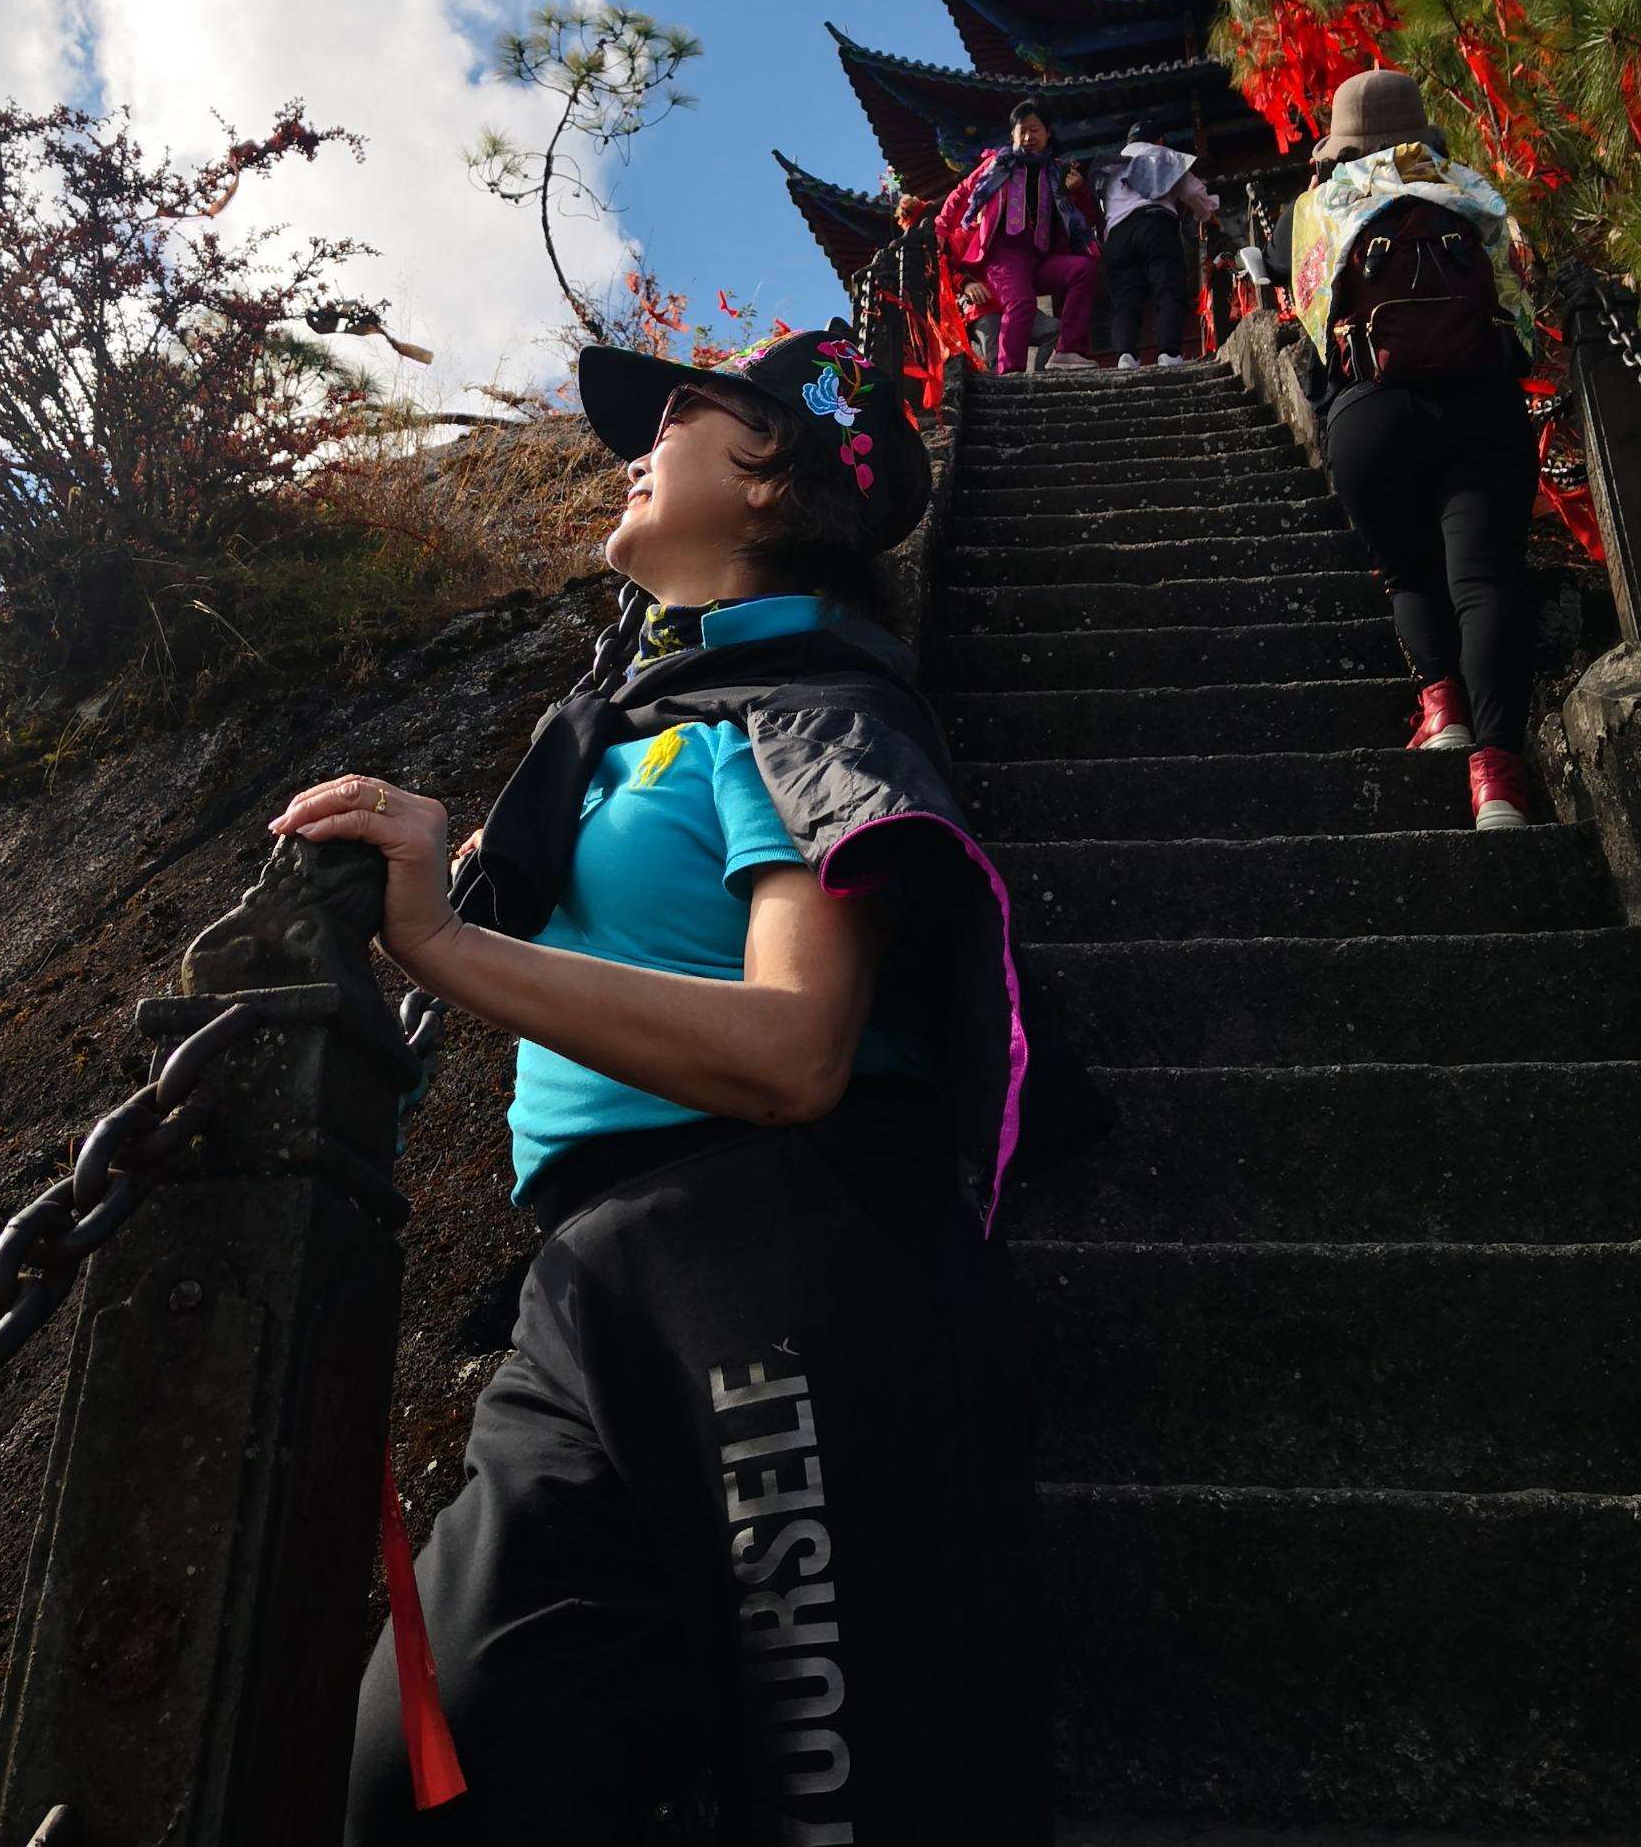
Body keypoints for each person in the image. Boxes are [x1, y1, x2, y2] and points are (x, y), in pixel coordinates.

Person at [273, 321, 1067, 1845]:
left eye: (687, 414)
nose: (636, 443)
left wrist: (435, 935)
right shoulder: (637, 721)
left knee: (844, 1791)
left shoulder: (810, 708)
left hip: (772, 1250)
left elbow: (792, 1050)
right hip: (585, 1282)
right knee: (418, 1772)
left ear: (776, 480)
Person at [1267, 70, 1540, 831]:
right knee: (1485, 580)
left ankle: (1441, 703)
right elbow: (1520, 296)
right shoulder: (1469, 187)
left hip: (1371, 416)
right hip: (1480, 403)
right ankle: (1498, 781)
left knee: (1408, 570)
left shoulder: (1316, 205)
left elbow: (1285, 273)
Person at [937, 98, 1103, 373]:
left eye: (1035, 129)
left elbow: (1088, 217)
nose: (1028, 137)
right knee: (1021, 303)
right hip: (1003, 255)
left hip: (1040, 258)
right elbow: (961, 194)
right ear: (1012, 135)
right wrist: (941, 229)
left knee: (1082, 269)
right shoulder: (997, 165)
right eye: (1022, 130)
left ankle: (1068, 351)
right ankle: (1009, 373)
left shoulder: (1059, 171)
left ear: (1048, 132)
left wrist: (1079, 190)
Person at [1096, 114, 1220, 369]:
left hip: (1118, 236)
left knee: (1125, 299)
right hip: (1155, 226)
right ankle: (1169, 354)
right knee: (1168, 287)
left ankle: (1125, 357)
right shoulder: (1162, 155)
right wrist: (1209, 215)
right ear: (1160, 140)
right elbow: (1193, 192)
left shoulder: (1108, 167)